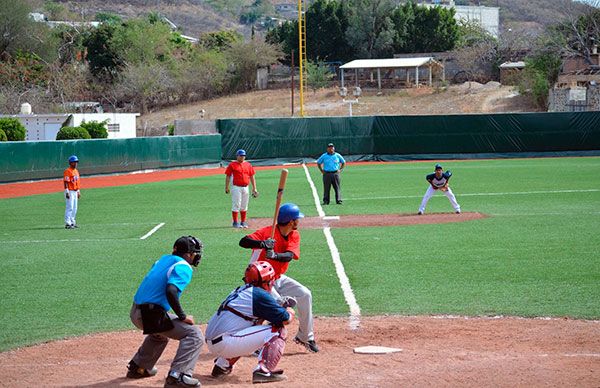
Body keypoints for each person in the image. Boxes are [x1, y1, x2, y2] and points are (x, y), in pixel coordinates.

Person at [238, 203, 319, 353]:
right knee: (278, 306)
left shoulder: (294, 234)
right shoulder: (268, 232)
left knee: (305, 294)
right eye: (297, 219)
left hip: (277, 277)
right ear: (291, 221)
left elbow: (289, 256)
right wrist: (262, 243)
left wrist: (274, 255)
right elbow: (243, 242)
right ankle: (256, 341)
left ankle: (305, 337)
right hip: (260, 281)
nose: (298, 222)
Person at [127, 236, 205, 388]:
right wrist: (182, 316)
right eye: (195, 253)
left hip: (136, 311)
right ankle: (178, 376)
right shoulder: (183, 267)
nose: (197, 255)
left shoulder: (163, 260)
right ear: (188, 254)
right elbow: (171, 290)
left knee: (161, 334)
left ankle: (139, 367)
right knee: (194, 335)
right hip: (149, 315)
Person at [205, 261, 295, 384]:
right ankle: (263, 371)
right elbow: (285, 319)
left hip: (213, 341)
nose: (272, 283)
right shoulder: (259, 295)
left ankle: (222, 366)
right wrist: (289, 310)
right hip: (225, 343)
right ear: (265, 281)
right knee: (278, 330)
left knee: (250, 328)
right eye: (271, 280)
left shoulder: (242, 290)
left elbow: (257, 321)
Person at [225, 149, 258, 228]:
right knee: (236, 204)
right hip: (236, 187)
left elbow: (252, 176)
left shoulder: (248, 165)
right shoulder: (232, 165)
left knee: (244, 204)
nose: (242, 157)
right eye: (241, 156)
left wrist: (254, 188)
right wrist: (226, 187)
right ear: (237, 156)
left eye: (244, 156)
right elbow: (228, 176)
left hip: (245, 187)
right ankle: (235, 222)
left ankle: (243, 222)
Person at [63, 155, 81, 229]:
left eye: (76, 162)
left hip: (75, 191)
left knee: (75, 208)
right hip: (70, 191)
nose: (76, 163)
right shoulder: (67, 171)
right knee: (69, 207)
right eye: (74, 162)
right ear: (70, 163)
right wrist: (66, 191)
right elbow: (66, 182)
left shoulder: (76, 171)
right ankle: (68, 223)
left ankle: (72, 222)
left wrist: (78, 191)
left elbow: (77, 182)